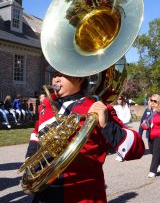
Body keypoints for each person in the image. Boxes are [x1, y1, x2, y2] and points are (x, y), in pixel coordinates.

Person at [25, 70, 145, 203]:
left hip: (82, 194)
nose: (56, 79)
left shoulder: (96, 106)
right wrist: (30, 156)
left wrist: (107, 125)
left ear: (80, 78)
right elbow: (37, 132)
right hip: (45, 191)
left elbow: (137, 149)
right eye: (54, 74)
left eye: (63, 74)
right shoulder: (47, 103)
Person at [141, 94, 160, 178]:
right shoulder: (147, 111)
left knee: (156, 152)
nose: (153, 102)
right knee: (152, 150)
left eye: (155, 101)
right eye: (151, 100)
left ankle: (153, 171)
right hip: (150, 135)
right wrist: (139, 134)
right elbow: (142, 123)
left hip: (159, 134)